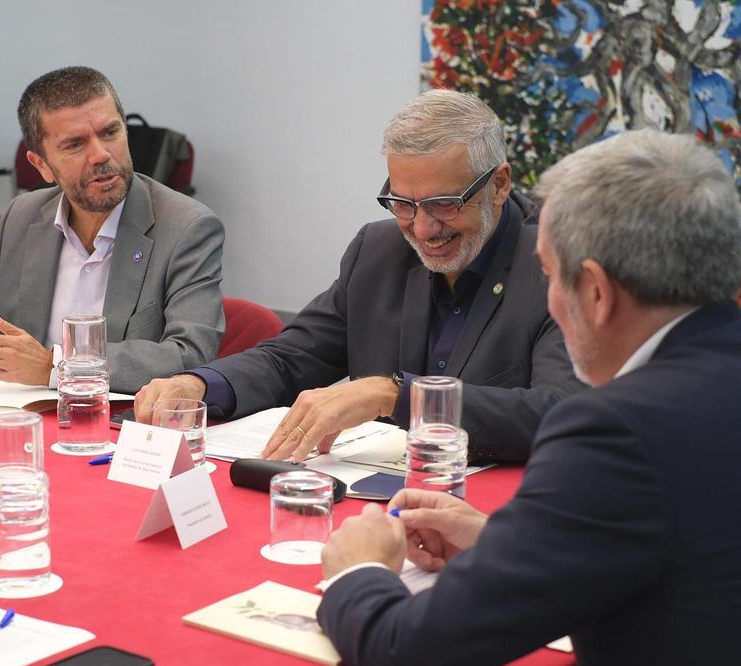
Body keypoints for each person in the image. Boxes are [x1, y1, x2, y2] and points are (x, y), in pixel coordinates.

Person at [316, 130, 741, 666]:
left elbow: (406, 653)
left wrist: (357, 572)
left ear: (596, 293)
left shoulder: (612, 432)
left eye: (550, 275)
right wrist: (502, 543)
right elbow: (697, 535)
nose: (548, 296)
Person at [135, 89, 581, 462]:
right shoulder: (378, 251)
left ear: (499, 185)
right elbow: (288, 359)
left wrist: (395, 396)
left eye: (445, 203)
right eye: (403, 203)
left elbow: (560, 412)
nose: (423, 229)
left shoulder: (555, 264)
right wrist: (199, 384)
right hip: (369, 497)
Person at [0, 66, 224, 394]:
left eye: (110, 132)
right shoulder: (24, 215)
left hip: (119, 424)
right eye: (75, 145)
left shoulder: (186, 228)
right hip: (21, 414)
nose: (101, 155)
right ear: (41, 165)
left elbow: (190, 354)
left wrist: (56, 366)